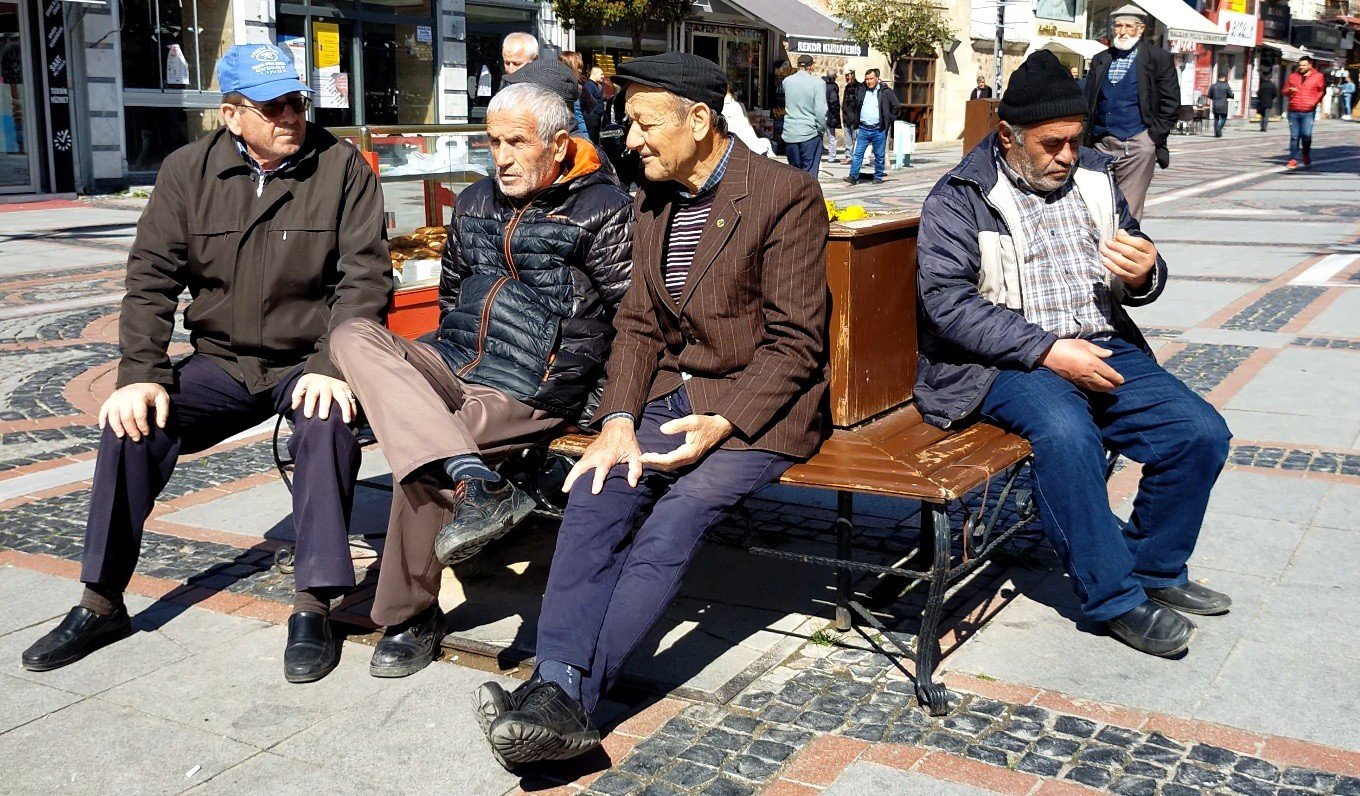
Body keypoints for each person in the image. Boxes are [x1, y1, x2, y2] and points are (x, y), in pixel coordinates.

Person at [474, 51, 829, 768]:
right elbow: (637, 324)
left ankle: (562, 701)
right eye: (628, 122)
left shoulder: (784, 194)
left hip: (760, 408)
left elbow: (796, 344)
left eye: (644, 123)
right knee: (596, 488)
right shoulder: (652, 197)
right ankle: (557, 693)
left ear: (699, 120)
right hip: (676, 395)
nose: (629, 139)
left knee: (676, 518)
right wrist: (616, 422)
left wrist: (723, 422)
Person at [19, 43, 392, 683]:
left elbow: (365, 280)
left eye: (297, 101)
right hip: (221, 362)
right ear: (231, 114)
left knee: (326, 423)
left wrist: (333, 366)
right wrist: (139, 375)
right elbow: (150, 279)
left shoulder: (341, 166)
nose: (291, 115)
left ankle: (314, 604)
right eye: (273, 106)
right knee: (131, 426)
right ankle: (100, 601)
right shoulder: (187, 171)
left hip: (307, 359)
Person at [916, 50, 1232, 660]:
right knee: (1066, 435)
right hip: (1002, 361)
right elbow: (947, 305)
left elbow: (1137, 257)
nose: (1067, 155)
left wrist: (1145, 272)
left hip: (1100, 339)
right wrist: (1047, 350)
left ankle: (1155, 567)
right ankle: (1112, 597)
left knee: (1198, 433)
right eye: (1051, 144)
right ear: (1007, 136)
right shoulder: (959, 197)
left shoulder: (1094, 176)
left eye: (1074, 140)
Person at [329, 82, 634, 678]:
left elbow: (629, 318)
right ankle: (474, 475)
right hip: (454, 360)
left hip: (533, 383)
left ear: (558, 145)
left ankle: (410, 614)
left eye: (517, 142)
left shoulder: (602, 208)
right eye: (494, 142)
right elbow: (450, 297)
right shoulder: (474, 201)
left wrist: (597, 408)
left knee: (425, 452)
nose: (502, 157)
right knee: (350, 336)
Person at [1082, 4, 1179, 220]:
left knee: (1129, 207)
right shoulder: (1101, 59)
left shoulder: (1157, 58)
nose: (1122, 31)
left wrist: (1151, 139)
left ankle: (1127, 240)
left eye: (1128, 26)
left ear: (1140, 29)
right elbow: (1089, 101)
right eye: (1118, 26)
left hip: (1137, 143)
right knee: (1097, 203)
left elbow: (1171, 102)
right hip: (1100, 143)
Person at [846, 68, 900, 185]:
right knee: (857, 154)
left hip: (878, 129)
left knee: (879, 155)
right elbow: (853, 104)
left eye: (871, 79)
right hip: (864, 128)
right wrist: (853, 118)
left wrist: (888, 119)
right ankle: (853, 176)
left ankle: (878, 176)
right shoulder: (861, 90)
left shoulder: (885, 92)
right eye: (867, 79)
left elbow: (896, 106)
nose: (869, 81)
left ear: (877, 78)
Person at [781, 54, 827, 175]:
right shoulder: (818, 83)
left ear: (797, 66)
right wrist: (821, 128)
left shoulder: (787, 81)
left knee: (795, 173)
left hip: (790, 133)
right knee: (810, 173)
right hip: (809, 132)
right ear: (811, 67)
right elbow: (821, 111)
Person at [1283, 56, 1325, 168]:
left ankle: (1305, 154)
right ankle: (1293, 159)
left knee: (1306, 135)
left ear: (1310, 65)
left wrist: (1313, 102)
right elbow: (1284, 91)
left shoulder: (1318, 77)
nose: (1301, 67)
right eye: (1300, 65)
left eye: (1304, 65)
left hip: (1308, 111)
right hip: (1293, 110)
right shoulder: (1293, 76)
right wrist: (1289, 90)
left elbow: (1321, 91)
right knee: (1294, 136)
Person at [558, 50, 592, 138]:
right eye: (578, 67)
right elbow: (580, 118)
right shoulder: (574, 89)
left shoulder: (579, 86)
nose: (581, 70)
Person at [842, 68, 864, 156]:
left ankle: (853, 156)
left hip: (854, 117)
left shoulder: (857, 87)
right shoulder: (847, 87)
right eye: (845, 76)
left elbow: (858, 103)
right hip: (847, 116)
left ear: (853, 75)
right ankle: (848, 156)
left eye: (848, 75)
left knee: (855, 138)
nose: (846, 77)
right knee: (848, 138)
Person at [584, 65, 608, 142]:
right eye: (601, 74)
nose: (603, 76)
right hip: (592, 121)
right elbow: (587, 102)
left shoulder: (594, 86)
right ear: (594, 74)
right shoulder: (589, 86)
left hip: (595, 120)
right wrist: (593, 114)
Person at [825, 70, 842, 163]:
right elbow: (833, 101)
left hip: (820, 113)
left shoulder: (821, 84)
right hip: (829, 114)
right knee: (831, 137)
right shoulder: (833, 87)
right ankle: (832, 157)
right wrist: (836, 114)